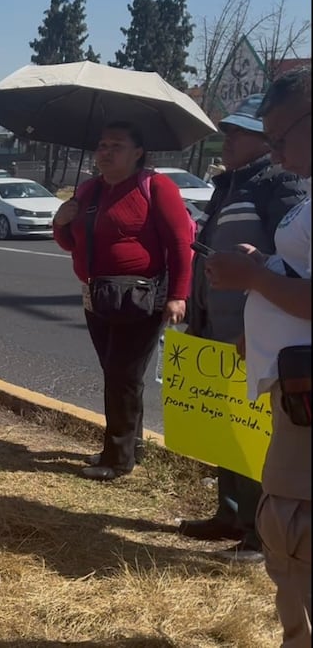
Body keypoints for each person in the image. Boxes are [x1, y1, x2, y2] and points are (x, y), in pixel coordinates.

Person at [206, 67, 311, 648]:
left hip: (307, 401)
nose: (274, 151)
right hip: (294, 394)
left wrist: (252, 275)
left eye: (280, 136)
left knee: (295, 538)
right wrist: (265, 272)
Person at [179, 94, 304, 564]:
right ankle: (230, 512)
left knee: (257, 432)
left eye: (238, 132)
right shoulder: (228, 185)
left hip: (255, 334)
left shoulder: (281, 184)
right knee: (224, 424)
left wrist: (257, 323)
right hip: (217, 323)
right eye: (226, 131)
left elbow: (289, 264)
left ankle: (258, 534)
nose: (227, 139)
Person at [52, 121, 194, 481]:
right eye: (101, 144)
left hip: (141, 295)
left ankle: (117, 458)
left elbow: (180, 245)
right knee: (119, 375)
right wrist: (60, 222)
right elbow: (72, 244)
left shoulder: (156, 186)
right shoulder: (87, 191)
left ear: (138, 152)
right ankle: (132, 446)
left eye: (117, 145)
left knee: (121, 375)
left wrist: (178, 295)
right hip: (97, 295)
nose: (106, 152)